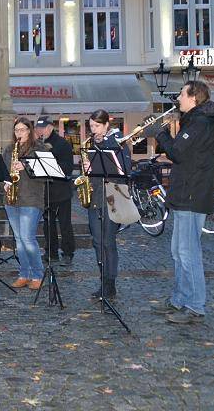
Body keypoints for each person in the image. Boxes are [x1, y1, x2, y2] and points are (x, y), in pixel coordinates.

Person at [148, 80, 214, 324]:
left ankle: (195, 306)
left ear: (193, 97)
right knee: (178, 252)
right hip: (184, 194)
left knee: (188, 253)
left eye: (181, 94)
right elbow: (185, 155)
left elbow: (178, 152)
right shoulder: (195, 122)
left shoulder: (201, 123)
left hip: (193, 195)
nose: (178, 99)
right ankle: (179, 299)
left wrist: (161, 134)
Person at [84, 110, 131, 299]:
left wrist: (104, 145)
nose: (93, 130)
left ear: (106, 125)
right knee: (97, 241)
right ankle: (103, 280)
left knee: (108, 241)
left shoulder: (118, 140)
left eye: (96, 126)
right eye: (91, 126)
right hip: (96, 196)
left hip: (114, 196)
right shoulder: (93, 143)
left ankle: (110, 283)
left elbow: (125, 169)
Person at [3, 117, 48, 290]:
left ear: (29, 130)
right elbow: (2, 173)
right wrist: (4, 185)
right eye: (16, 130)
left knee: (28, 239)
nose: (19, 133)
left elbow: (45, 174)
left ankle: (37, 274)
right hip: (11, 200)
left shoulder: (39, 148)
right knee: (19, 240)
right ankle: (24, 274)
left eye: (22, 129)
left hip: (31, 199)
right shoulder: (9, 150)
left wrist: (26, 166)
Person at [34, 116, 75, 266]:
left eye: (42, 128)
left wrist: (51, 161)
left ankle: (68, 253)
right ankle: (51, 252)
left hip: (62, 191)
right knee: (47, 224)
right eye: (38, 128)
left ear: (51, 127)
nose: (40, 130)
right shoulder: (38, 144)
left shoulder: (62, 144)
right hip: (46, 192)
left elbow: (68, 168)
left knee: (65, 224)